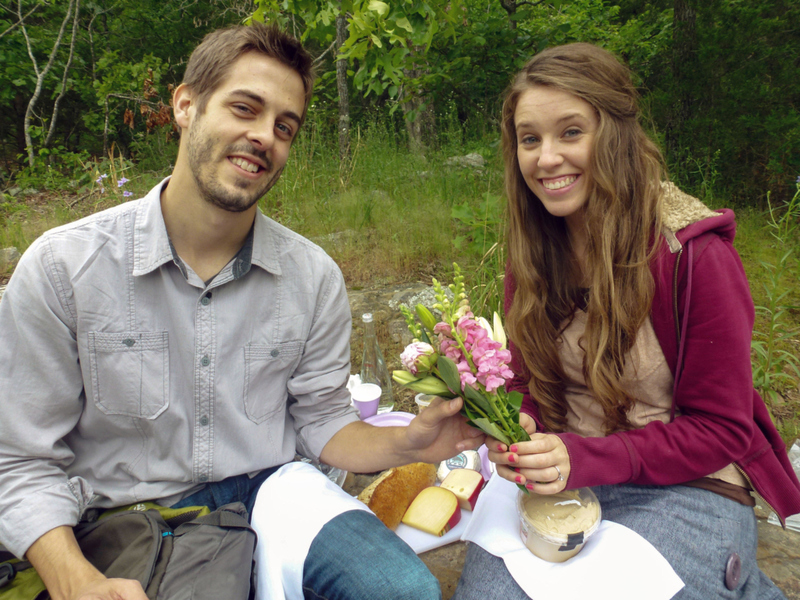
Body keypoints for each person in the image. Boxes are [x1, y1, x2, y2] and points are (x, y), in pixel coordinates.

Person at [0, 23, 484, 600]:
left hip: (271, 489)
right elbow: (19, 462)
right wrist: (75, 580)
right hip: (121, 516)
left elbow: (321, 421)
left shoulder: (313, 277)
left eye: (285, 126)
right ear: (185, 104)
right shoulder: (64, 268)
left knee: (403, 591)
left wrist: (413, 444)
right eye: (245, 108)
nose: (264, 137)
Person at [453, 43, 800, 600]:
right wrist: (514, 428)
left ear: (614, 134)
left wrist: (583, 456)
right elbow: (520, 383)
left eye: (571, 132)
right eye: (529, 138)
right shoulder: (534, 252)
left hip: (689, 484)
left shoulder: (691, 255)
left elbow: (723, 429)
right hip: (567, 480)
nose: (546, 159)